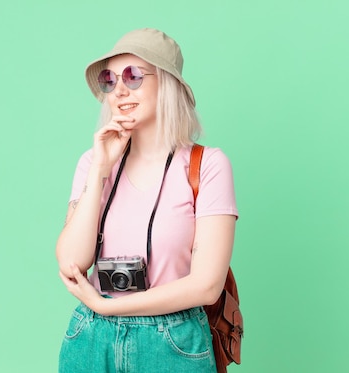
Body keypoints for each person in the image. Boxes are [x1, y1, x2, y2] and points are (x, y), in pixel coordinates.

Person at [56, 28, 238, 373]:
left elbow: (207, 286)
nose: (119, 90)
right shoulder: (92, 163)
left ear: (167, 83)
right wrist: (99, 171)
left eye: (134, 76)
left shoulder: (208, 165)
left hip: (171, 341)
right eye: (109, 79)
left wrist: (108, 306)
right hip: (90, 338)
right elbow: (71, 264)